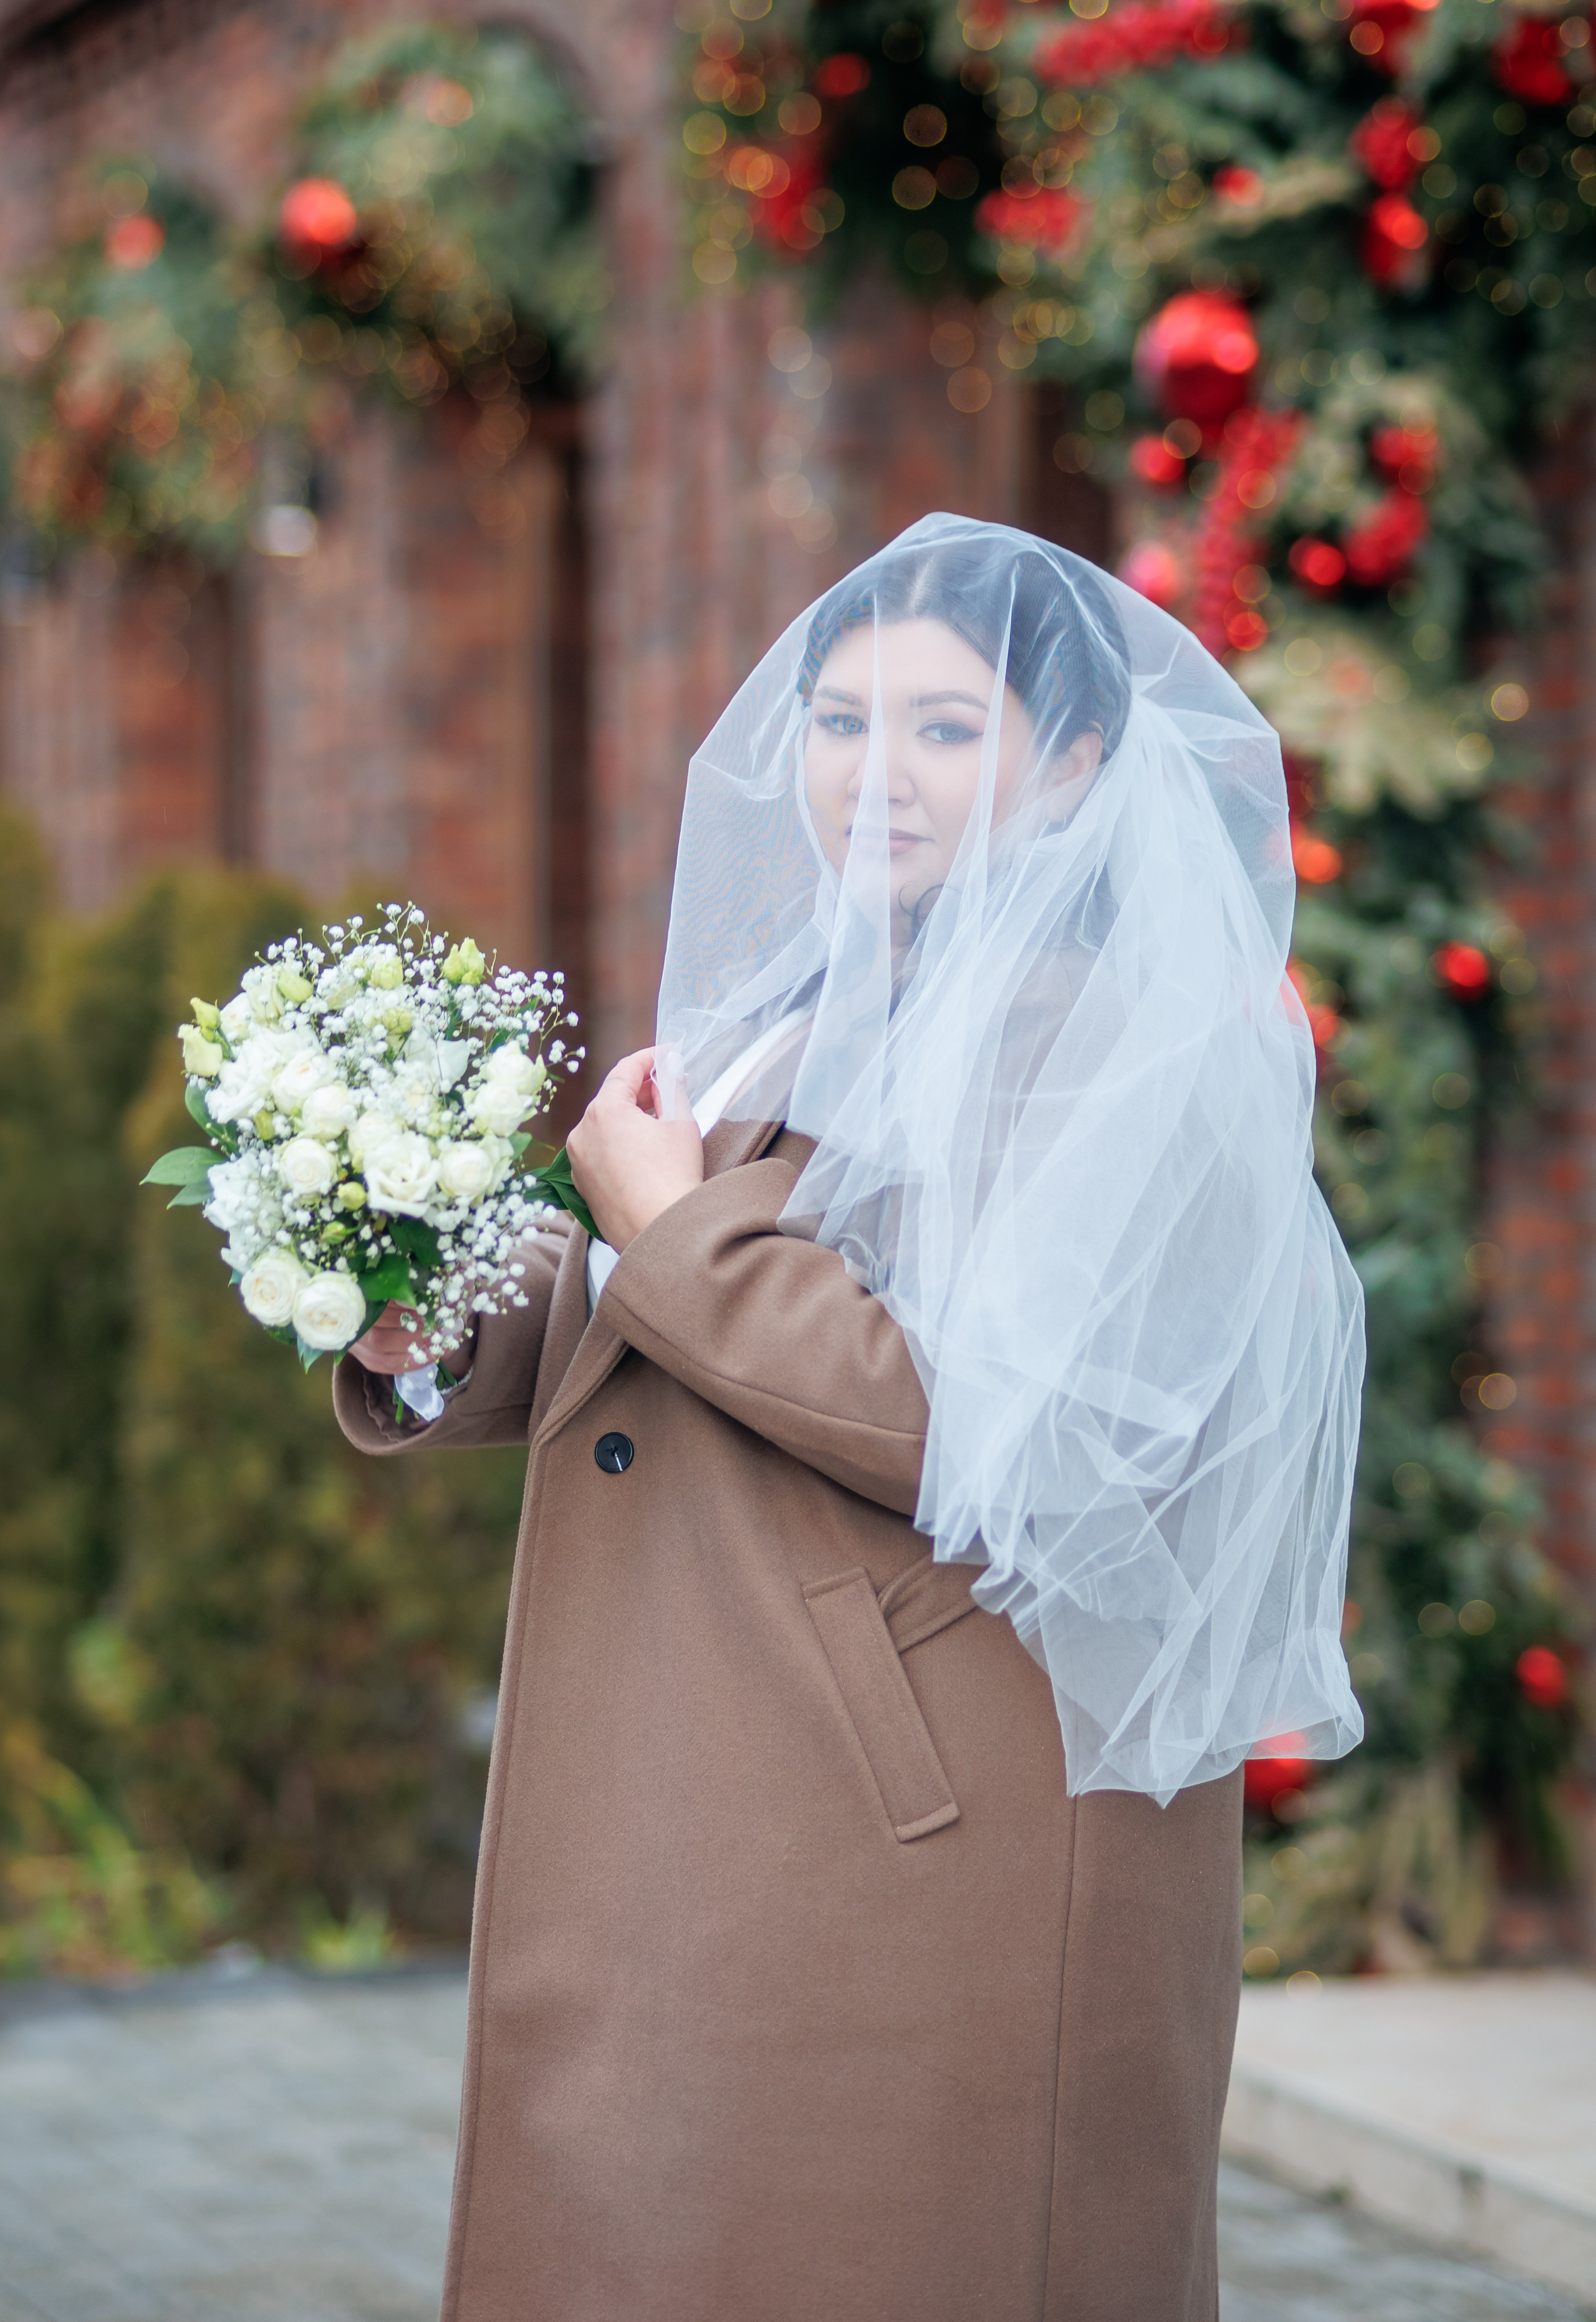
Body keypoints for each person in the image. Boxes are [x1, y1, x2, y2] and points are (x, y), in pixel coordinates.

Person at [338, 513, 1365, 2322]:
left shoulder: (1129, 1045)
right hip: (742, 1795)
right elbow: (662, 1313)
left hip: (935, 1834)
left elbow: (1000, 1433)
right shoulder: (812, 997)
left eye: (944, 729)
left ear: (1073, 759)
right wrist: (430, 1311)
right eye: (840, 720)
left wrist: (673, 1228)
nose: (872, 773)